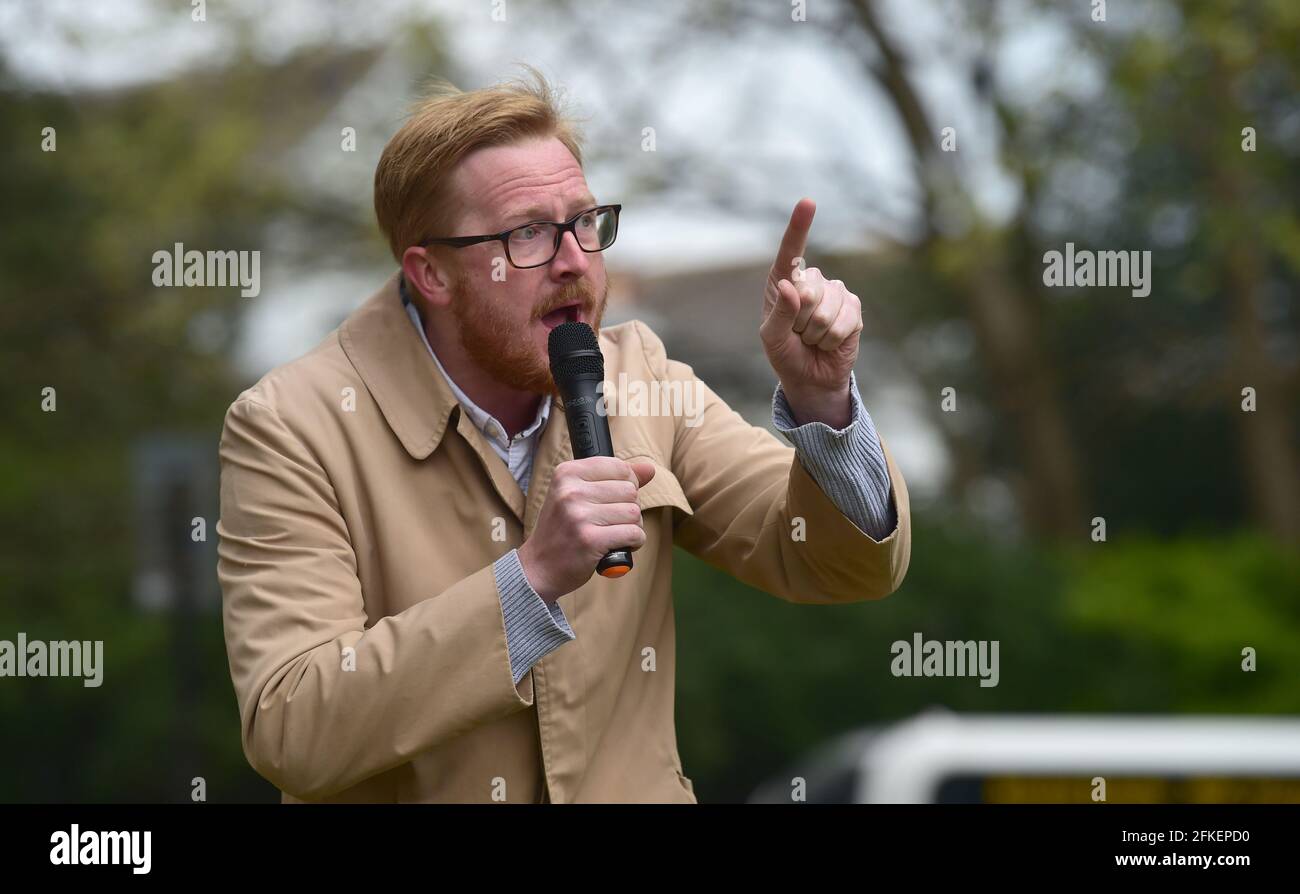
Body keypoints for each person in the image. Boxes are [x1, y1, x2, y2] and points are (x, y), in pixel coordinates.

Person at [217, 69, 911, 803]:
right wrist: (530, 580)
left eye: (584, 222)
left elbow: (838, 566)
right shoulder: (293, 427)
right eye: (527, 234)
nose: (575, 259)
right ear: (431, 274)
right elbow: (293, 727)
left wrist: (822, 400)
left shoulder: (642, 375)